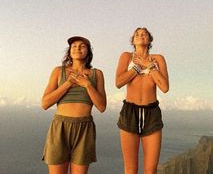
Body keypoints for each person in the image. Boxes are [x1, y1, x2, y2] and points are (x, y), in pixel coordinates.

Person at [41, 36, 106, 174]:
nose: (77, 48)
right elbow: (45, 103)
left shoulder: (97, 74)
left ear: (88, 52)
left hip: (84, 128)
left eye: (82, 46)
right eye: (74, 46)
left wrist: (87, 85)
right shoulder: (59, 71)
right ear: (69, 51)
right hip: (60, 127)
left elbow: (102, 107)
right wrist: (68, 83)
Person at [115, 27, 169, 174]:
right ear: (133, 40)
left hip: (152, 112)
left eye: (144, 34)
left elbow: (164, 87)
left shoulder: (158, 59)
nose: (141, 35)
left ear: (150, 39)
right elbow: (119, 82)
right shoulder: (126, 57)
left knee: (150, 170)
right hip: (130, 111)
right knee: (131, 169)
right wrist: (137, 68)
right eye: (137, 34)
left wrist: (149, 67)